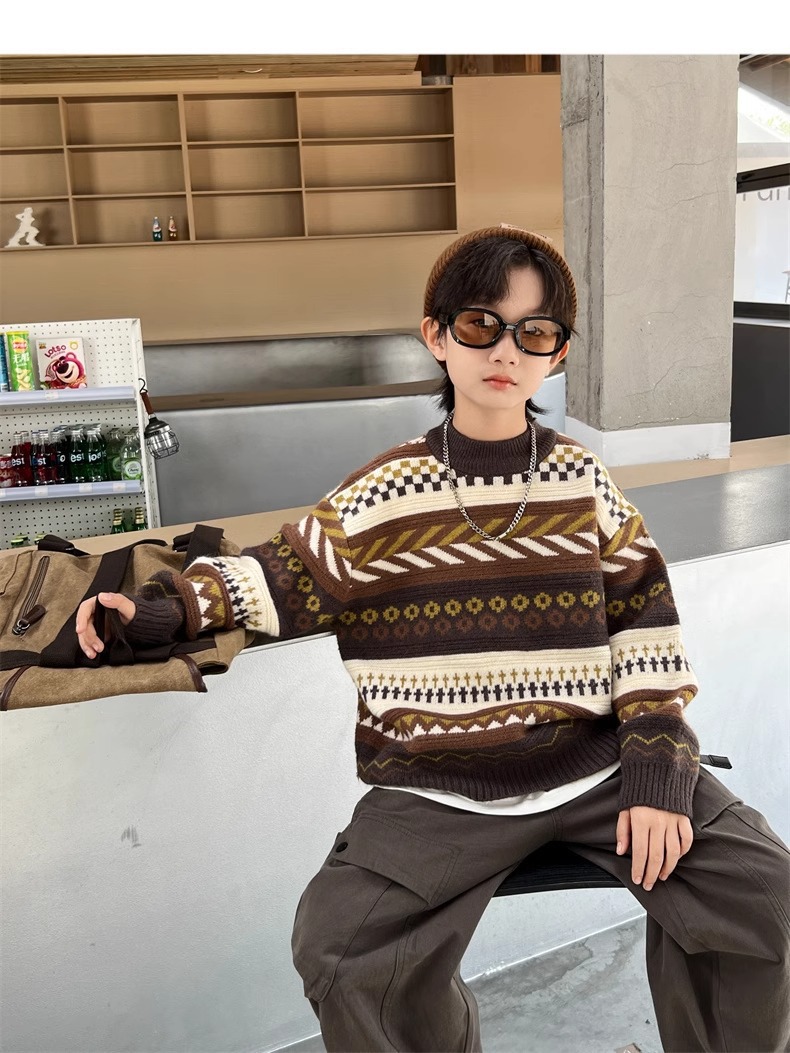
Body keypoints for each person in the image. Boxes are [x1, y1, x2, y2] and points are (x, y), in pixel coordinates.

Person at [76, 225, 790, 1053]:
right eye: (482, 323)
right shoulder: (384, 492)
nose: (506, 350)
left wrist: (659, 764)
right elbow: (281, 574)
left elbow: (645, 621)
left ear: (557, 354)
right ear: (438, 335)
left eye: (535, 332)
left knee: (763, 897)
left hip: (596, 769)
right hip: (439, 786)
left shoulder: (582, 481)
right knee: (340, 948)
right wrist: (161, 612)